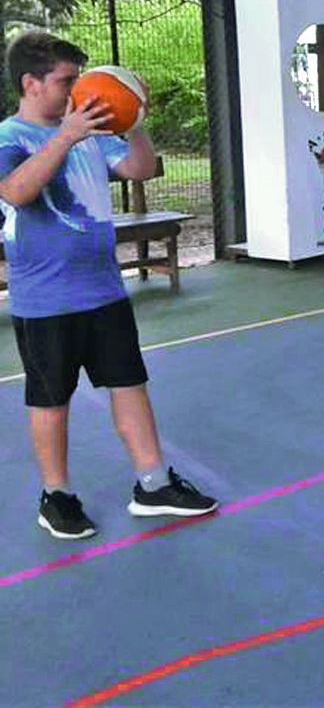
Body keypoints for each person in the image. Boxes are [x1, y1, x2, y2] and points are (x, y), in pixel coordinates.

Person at [0, 32, 217, 539]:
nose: (76, 90)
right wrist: (67, 136)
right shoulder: (10, 137)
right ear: (31, 83)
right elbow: (16, 191)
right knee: (50, 399)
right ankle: (57, 496)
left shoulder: (93, 133)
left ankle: (153, 483)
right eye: (65, 81)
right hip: (45, 298)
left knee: (129, 385)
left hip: (104, 290)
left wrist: (135, 123)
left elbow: (140, 168)